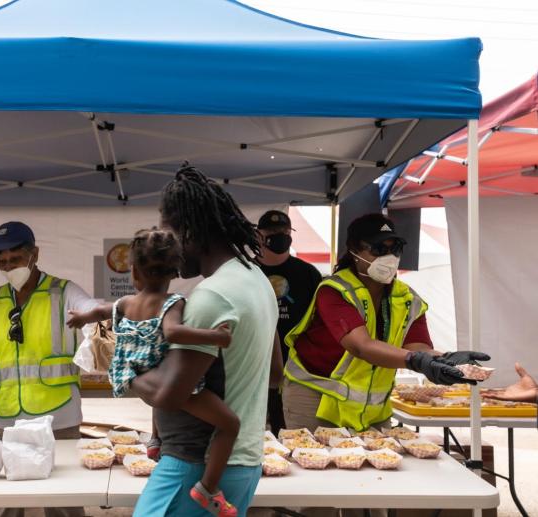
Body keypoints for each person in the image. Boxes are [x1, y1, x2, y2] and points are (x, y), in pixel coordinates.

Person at [129, 164, 282, 517]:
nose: (168, 249)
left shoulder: (212, 296)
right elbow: (275, 374)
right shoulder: (256, 279)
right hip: (242, 462)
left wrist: (125, 371)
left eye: (170, 235)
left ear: (191, 231)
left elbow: (173, 394)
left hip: (197, 465)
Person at [67, 228, 240, 516]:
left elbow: (101, 312)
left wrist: (83, 316)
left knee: (159, 399)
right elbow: (173, 331)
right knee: (230, 425)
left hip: (134, 372)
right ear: (174, 271)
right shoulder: (173, 303)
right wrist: (215, 337)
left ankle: (155, 441)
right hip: (171, 386)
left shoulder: (127, 304)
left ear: (134, 273)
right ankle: (208, 488)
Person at [282, 213, 491, 432]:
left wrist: (446, 360)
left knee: (380, 463)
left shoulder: (407, 298)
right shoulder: (334, 291)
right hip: (314, 397)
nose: (389, 257)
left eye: (395, 248)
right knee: (317, 462)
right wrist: (418, 361)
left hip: (371, 407)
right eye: (379, 249)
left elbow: (417, 349)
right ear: (354, 251)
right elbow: (361, 346)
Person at [0, 221, 97, 517]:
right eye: (2, 261)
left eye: (15, 259)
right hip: (4, 419)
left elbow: (92, 311)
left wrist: (95, 318)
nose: (8, 266)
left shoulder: (63, 293)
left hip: (58, 417)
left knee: (63, 502)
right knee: (6, 503)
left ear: (35, 254)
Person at [256, 209, 322, 435]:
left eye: (284, 231)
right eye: (273, 231)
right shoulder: (248, 271)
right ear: (259, 236)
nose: (280, 235)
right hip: (255, 366)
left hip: (297, 368)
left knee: (289, 431)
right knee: (255, 430)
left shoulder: (308, 273)